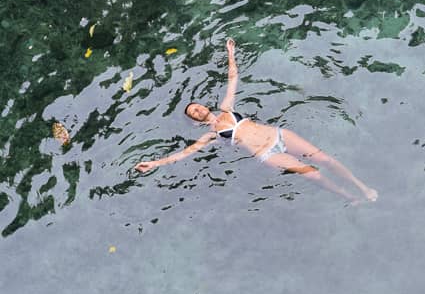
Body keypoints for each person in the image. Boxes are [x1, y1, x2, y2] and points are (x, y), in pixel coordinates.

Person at [135, 38, 378, 203]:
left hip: (279, 135)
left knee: (325, 158)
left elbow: (233, 78)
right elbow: (185, 153)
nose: (197, 110)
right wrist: (155, 163)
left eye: (196, 106)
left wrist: (231, 54)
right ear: (195, 121)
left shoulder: (226, 108)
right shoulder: (211, 135)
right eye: (193, 113)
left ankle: (362, 186)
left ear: (203, 105)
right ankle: (349, 196)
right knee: (313, 174)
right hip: (266, 154)